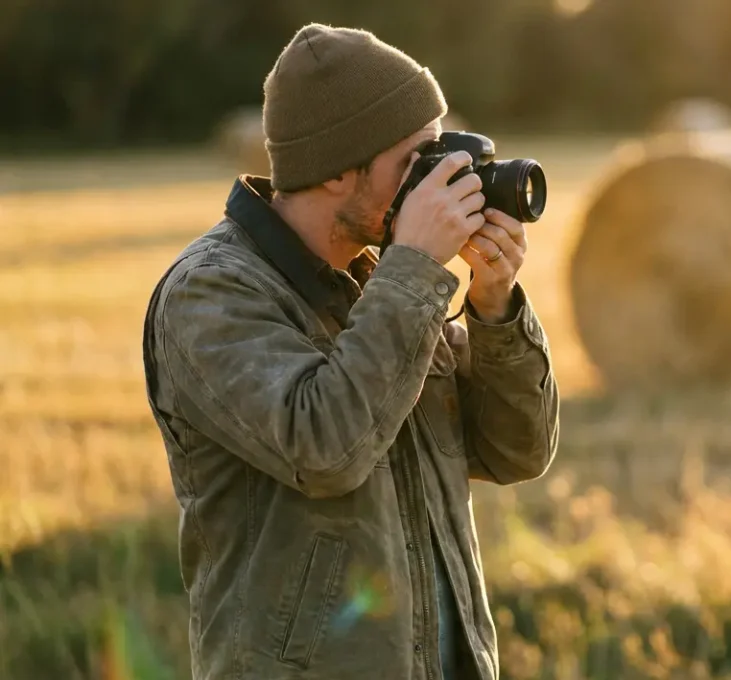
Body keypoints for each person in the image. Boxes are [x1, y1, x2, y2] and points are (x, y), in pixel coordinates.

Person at [140, 23, 559, 680]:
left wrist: (494, 305)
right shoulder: (211, 294)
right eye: (419, 160)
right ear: (338, 170)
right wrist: (416, 267)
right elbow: (327, 448)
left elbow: (517, 450)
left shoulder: (380, 283)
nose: (440, 181)